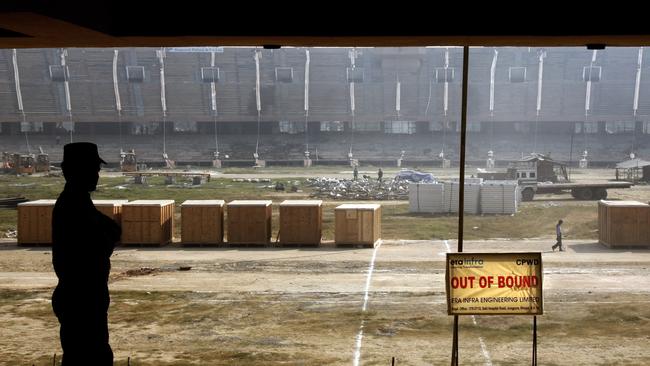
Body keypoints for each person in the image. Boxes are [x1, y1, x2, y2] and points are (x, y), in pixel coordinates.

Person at [52, 142, 121, 365]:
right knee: (88, 356)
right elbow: (99, 242)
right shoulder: (72, 205)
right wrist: (110, 232)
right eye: (92, 169)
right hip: (81, 297)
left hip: (85, 295)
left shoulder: (79, 201)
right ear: (72, 171)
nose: (96, 175)